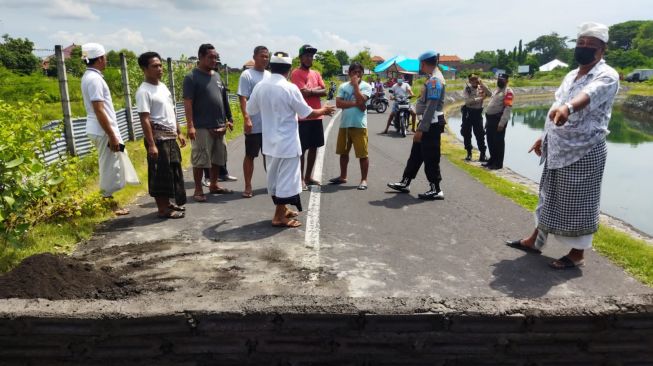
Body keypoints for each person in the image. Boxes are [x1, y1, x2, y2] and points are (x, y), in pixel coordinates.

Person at [506, 22, 619, 270]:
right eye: (581, 43)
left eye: (591, 45)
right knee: (548, 196)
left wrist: (568, 108)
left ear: (602, 50)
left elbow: (588, 95)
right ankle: (535, 241)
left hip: (584, 150)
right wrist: (543, 137)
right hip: (558, 148)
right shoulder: (570, 75)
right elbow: (555, 106)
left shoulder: (607, 75)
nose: (585, 48)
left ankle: (577, 253)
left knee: (580, 202)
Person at [247, 52, 335, 227]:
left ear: (271, 67)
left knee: (275, 179)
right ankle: (278, 217)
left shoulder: (260, 86)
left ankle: (284, 209)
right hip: (287, 143)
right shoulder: (289, 88)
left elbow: (251, 109)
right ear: (288, 70)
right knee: (287, 180)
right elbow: (307, 112)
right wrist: (323, 111)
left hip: (270, 142)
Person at [80, 42, 138, 215]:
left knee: (113, 164)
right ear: (99, 59)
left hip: (100, 129)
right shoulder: (95, 80)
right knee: (108, 167)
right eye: (104, 58)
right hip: (102, 130)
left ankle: (108, 201)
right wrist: (112, 135)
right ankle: (107, 204)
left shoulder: (90, 77)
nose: (106, 61)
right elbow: (99, 109)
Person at [387, 51, 446, 200]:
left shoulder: (435, 80)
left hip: (431, 123)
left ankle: (436, 189)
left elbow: (432, 106)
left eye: (420, 64)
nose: (420, 66)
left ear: (424, 63)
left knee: (431, 156)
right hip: (427, 122)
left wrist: (421, 128)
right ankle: (405, 182)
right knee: (416, 155)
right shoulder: (432, 78)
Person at [135, 51, 187, 219]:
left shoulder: (162, 87)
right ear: (144, 68)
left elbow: (171, 111)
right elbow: (145, 118)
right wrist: (151, 144)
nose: (159, 69)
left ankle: (168, 203)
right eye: (154, 66)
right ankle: (162, 209)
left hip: (170, 137)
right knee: (160, 174)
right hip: (158, 140)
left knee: (173, 171)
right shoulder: (144, 91)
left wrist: (179, 132)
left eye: (160, 65)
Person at [183, 43, 234, 203]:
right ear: (200, 57)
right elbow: (188, 102)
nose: (214, 60)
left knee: (218, 157)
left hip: (219, 125)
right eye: (210, 57)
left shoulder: (216, 76)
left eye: (215, 57)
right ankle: (198, 189)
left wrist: (228, 120)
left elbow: (222, 99)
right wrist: (190, 125)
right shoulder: (191, 77)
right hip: (201, 127)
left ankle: (214, 184)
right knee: (200, 159)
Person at [330, 62, 373, 190]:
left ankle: (364, 180)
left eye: (359, 72)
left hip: (359, 125)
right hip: (345, 124)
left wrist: (355, 87)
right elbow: (338, 103)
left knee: (362, 154)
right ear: (349, 73)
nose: (356, 74)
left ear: (362, 73)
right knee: (343, 153)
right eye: (354, 72)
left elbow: (362, 101)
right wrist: (356, 103)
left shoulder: (367, 86)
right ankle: (343, 176)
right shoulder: (343, 86)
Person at [291, 44, 327, 189]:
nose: (309, 58)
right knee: (302, 149)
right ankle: (300, 179)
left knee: (314, 147)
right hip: (303, 118)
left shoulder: (316, 73)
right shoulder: (296, 73)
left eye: (311, 56)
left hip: (317, 116)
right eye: (306, 55)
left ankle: (308, 176)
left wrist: (311, 90)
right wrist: (316, 89)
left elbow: (324, 91)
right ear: (300, 58)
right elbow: (302, 93)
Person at [238, 46, 271, 198]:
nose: (265, 59)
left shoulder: (270, 75)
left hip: (268, 125)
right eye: (262, 56)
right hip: (254, 123)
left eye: (267, 56)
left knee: (269, 155)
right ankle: (248, 185)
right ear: (255, 57)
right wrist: (246, 118)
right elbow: (243, 97)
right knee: (250, 155)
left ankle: (271, 183)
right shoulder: (247, 75)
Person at [482, 73, 514, 170]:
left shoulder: (508, 92)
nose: (500, 81)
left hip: (498, 120)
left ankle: (498, 163)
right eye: (499, 79)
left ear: (507, 81)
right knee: (490, 141)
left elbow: (507, 108)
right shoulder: (497, 90)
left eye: (502, 79)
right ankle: (492, 160)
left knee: (498, 142)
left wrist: (502, 123)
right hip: (490, 120)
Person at [462, 74, 491, 161]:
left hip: (478, 113)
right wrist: (480, 98)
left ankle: (482, 154)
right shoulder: (467, 89)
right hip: (468, 113)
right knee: (466, 133)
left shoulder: (481, 87)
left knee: (480, 134)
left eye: (475, 79)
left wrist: (482, 84)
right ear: (469, 81)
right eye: (472, 80)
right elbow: (467, 102)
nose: (474, 81)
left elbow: (490, 94)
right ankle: (469, 153)